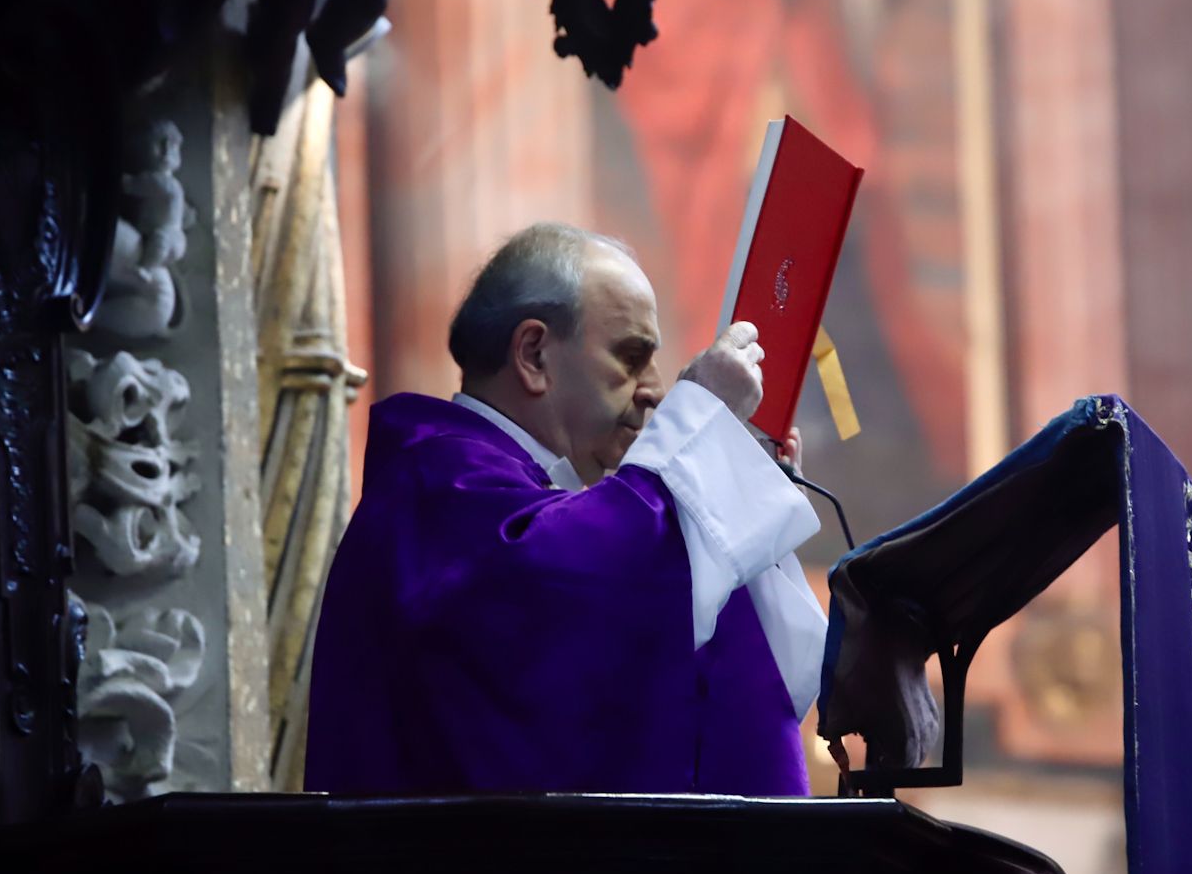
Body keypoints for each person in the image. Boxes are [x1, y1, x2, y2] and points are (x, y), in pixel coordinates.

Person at [305, 222, 827, 796]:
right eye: (631, 357)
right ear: (533, 355)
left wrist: (734, 481)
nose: (655, 390)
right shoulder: (437, 484)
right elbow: (573, 597)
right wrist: (703, 438)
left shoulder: (519, 494)